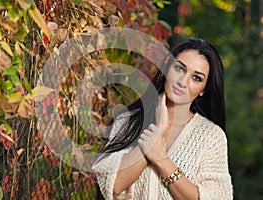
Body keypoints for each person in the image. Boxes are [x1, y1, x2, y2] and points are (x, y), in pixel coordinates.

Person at [92, 38, 233, 199]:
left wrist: (161, 159)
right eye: (179, 68)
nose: (182, 82)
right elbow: (113, 185)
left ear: (203, 90)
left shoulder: (211, 136)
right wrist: (157, 132)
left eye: (197, 78)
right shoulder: (127, 120)